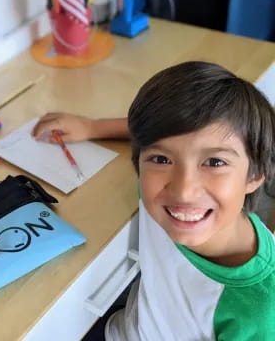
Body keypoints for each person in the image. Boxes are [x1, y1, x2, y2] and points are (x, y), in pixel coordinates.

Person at [32, 61, 275, 340]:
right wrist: (92, 127)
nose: (183, 190)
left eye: (214, 162)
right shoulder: (158, 193)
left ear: (255, 174)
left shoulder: (261, 308)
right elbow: (161, 134)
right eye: (162, 159)